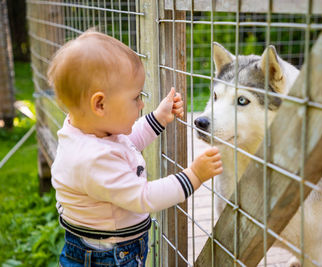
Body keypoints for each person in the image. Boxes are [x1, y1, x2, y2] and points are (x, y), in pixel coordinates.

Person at [47, 30, 222, 267]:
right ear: (100, 104)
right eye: (135, 97)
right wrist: (193, 176)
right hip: (108, 256)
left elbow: (128, 144)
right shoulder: (91, 159)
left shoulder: (89, 130)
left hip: (110, 246)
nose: (141, 103)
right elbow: (143, 197)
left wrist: (158, 118)